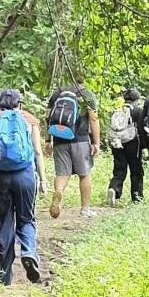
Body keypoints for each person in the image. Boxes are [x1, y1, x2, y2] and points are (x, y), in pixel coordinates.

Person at [0, 89, 48, 285]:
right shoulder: (29, 119)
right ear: (19, 103)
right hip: (25, 175)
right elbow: (38, 152)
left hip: (0, 177)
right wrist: (43, 179)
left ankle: (4, 274)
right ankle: (29, 252)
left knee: (5, 220)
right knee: (26, 218)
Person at [45, 76, 101, 218]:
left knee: (62, 174)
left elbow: (48, 118)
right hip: (80, 140)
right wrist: (96, 142)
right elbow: (93, 118)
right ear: (83, 80)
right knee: (84, 174)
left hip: (59, 138)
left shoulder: (57, 93)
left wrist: (48, 140)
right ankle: (85, 209)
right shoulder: (86, 94)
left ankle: (59, 191)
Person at [106, 88, 147, 205]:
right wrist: (144, 146)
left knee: (119, 170)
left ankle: (114, 189)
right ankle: (137, 197)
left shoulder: (118, 110)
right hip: (133, 144)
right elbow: (142, 130)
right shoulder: (138, 111)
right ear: (136, 100)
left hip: (117, 143)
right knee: (136, 171)